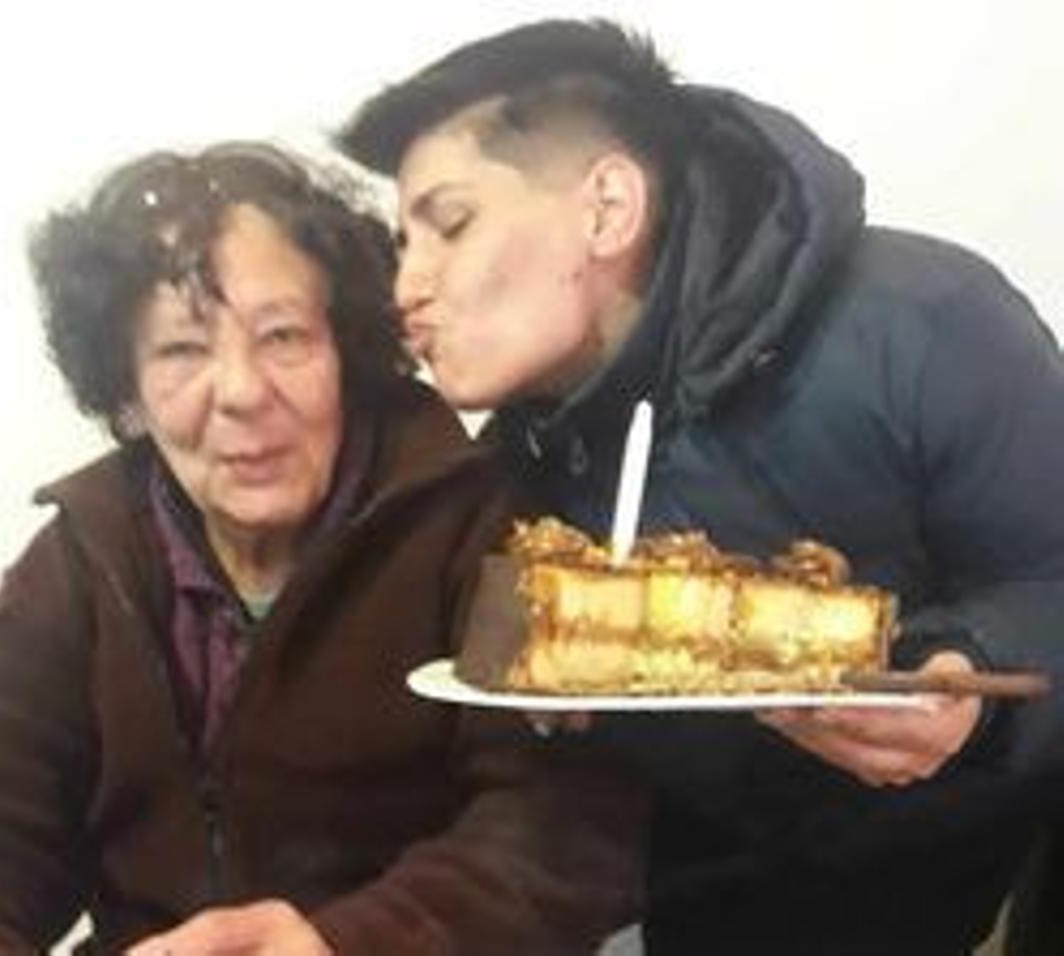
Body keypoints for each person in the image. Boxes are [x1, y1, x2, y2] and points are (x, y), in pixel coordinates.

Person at [337, 18, 1064, 955]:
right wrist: (555, 713)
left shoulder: (919, 320)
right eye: (402, 244)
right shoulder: (518, 461)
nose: (408, 288)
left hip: (982, 902)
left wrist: (971, 684)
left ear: (607, 208)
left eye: (450, 224)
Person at [0, 142, 647, 954]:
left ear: (343, 351)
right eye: (181, 350)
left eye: (283, 338)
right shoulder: (82, 557)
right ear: (125, 389)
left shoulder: (485, 526)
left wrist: (345, 944)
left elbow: (568, 825)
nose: (241, 392)